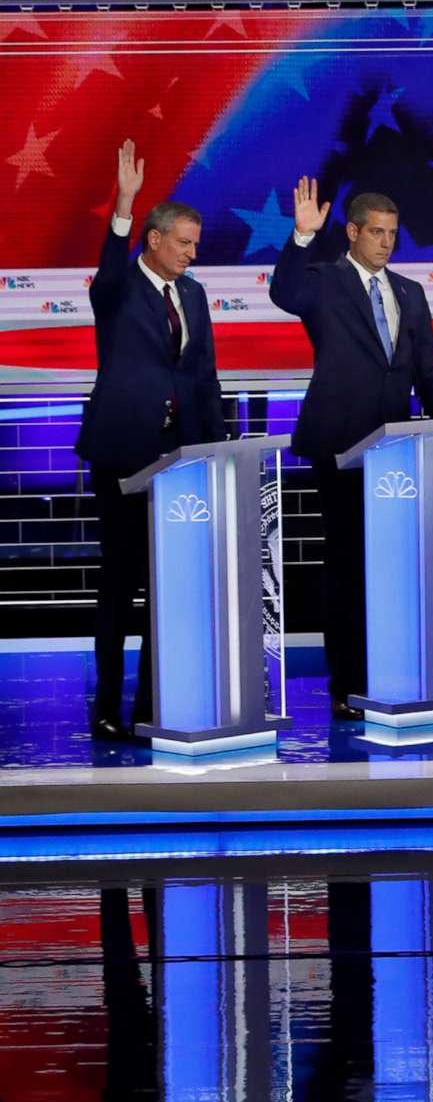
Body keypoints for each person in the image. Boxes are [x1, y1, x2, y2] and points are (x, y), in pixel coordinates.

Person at [268, 178, 433, 716]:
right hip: (341, 448)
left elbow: (428, 370)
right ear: (351, 232)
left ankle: (394, 672)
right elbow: (285, 293)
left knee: (395, 566)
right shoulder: (324, 281)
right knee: (349, 567)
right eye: (376, 232)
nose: (385, 243)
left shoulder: (409, 293)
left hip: (397, 454)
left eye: (393, 234)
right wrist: (302, 237)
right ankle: (348, 683)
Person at [77, 141, 224, 739]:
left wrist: (213, 451)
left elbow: (204, 375)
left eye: (195, 243)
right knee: (121, 581)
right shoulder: (117, 288)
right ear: (155, 239)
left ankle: (154, 703)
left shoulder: (192, 294)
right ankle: (108, 706)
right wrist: (126, 204)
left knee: (170, 585)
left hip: (179, 457)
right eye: (184, 242)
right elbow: (111, 267)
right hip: (122, 453)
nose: (193, 252)